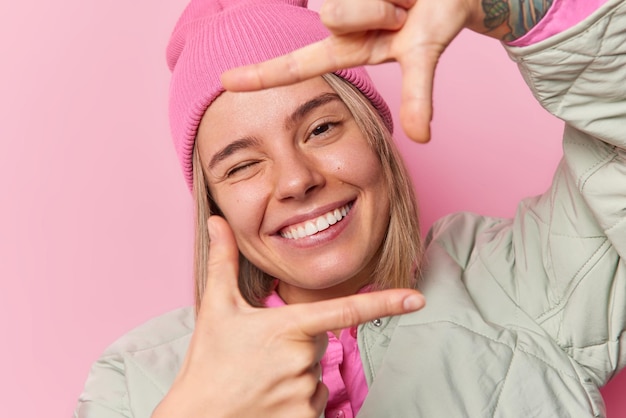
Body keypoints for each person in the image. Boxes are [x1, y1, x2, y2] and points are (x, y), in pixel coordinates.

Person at [74, 0, 626, 417]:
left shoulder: (525, 281)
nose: (295, 180)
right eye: (241, 165)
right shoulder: (134, 380)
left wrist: (525, 9)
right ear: (213, 204)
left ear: (375, 136)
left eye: (321, 127)